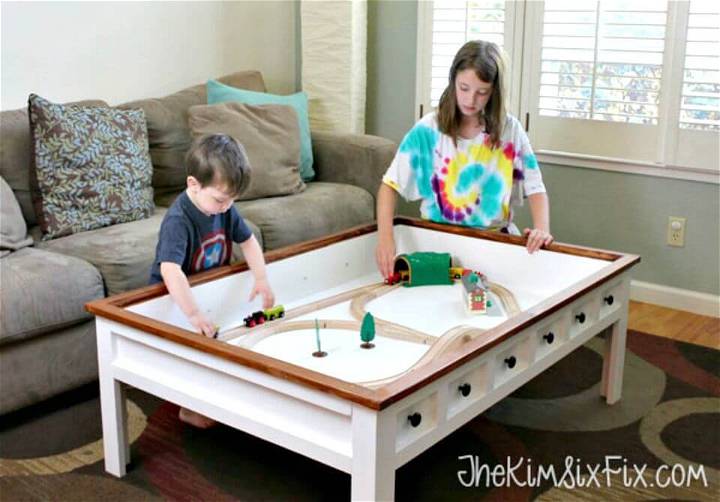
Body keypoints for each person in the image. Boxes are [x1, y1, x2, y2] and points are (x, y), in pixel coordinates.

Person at [376, 40, 553, 279]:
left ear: (494, 92)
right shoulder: (429, 129)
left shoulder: (510, 130)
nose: (471, 100)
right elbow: (389, 186)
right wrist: (385, 239)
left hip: (493, 240)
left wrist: (542, 229)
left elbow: (535, 187)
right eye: (464, 88)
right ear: (453, 82)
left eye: (482, 93)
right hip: (438, 242)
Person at [149, 133, 275, 428]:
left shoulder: (225, 208)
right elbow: (170, 270)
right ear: (194, 184)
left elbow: (248, 241)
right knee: (191, 352)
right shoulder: (179, 219)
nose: (226, 207)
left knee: (219, 345)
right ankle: (189, 408)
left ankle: (213, 397)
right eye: (220, 199)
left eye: (232, 200)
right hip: (173, 297)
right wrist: (192, 313)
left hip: (207, 286)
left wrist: (261, 278)